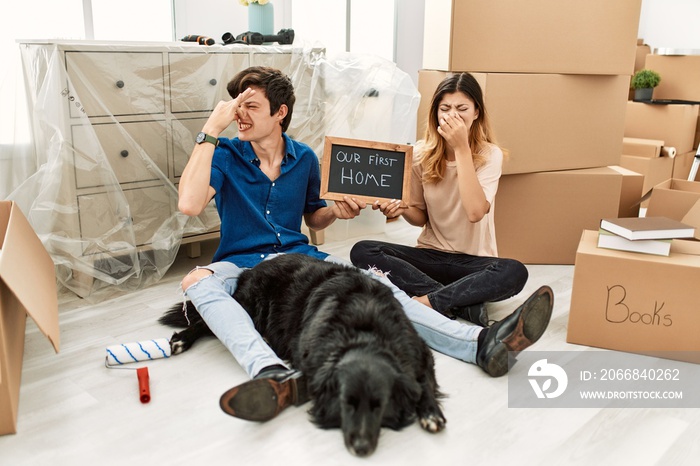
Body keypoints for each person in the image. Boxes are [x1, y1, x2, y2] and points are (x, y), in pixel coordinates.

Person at [176, 66, 553, 424]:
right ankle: (270, 372)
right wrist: (210, 130)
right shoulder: (224, 153)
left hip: (299, 260)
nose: (238, 114)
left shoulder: (304, 158)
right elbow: (190, 204)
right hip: (241, 264)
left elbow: (314, 218)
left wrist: (335, 212)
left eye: (250, 106)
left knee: (377, 283)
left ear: (280, 113)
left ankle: (478, 342)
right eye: (236, 107)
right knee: (197, 283)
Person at [351, 71, 541, 332]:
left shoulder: (489, 155)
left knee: (514, 271)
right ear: (436, 113)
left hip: (473, 264)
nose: (453, 115)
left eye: (462, 108)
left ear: (476, 112)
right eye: (445, 108)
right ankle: (458, 302)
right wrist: (404, 207)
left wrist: (462, 148)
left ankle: (429, 300)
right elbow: (421, 219)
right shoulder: (420, 154)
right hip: (430, 257)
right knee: (363, 250)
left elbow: (475, 212)